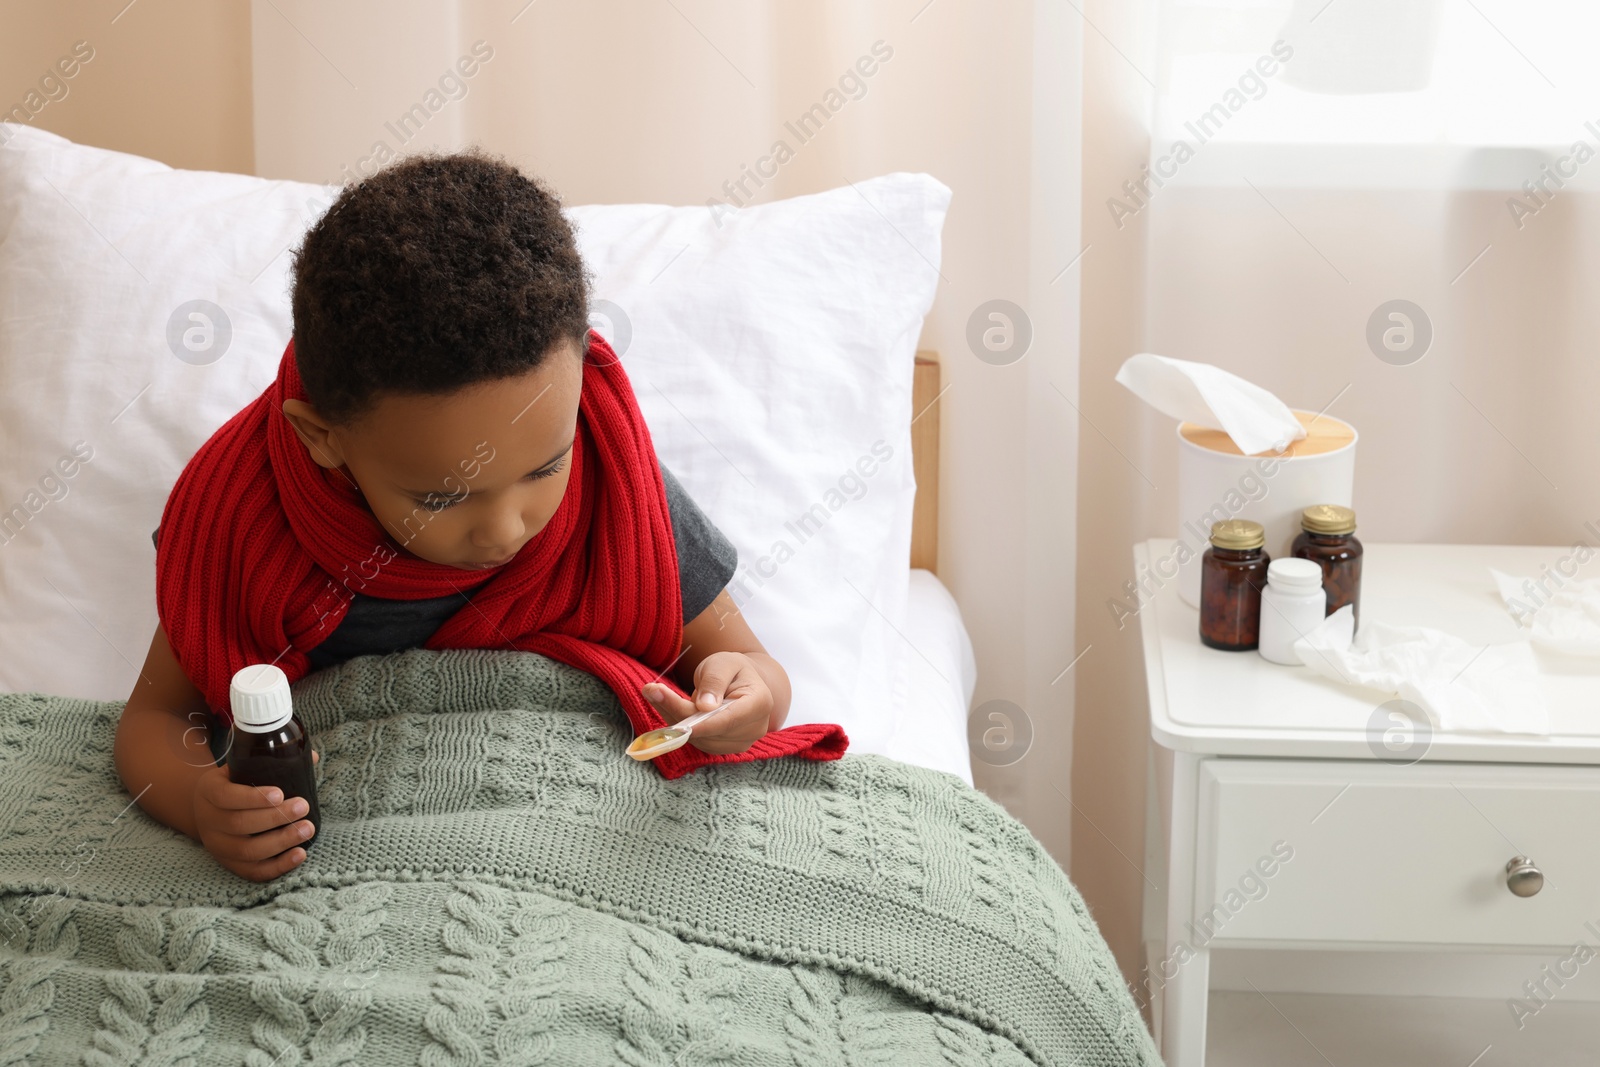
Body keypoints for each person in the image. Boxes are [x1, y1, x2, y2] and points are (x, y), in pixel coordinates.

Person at [112, 149, 839, 883]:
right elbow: (153, 724)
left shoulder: (610, 465)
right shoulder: (240, 511)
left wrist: (742, 699)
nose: (505, 529)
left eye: (544, 468)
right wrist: (201, 801)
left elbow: (754, 669)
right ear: (323, 438)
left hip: (588, 855)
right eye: (441, 496)